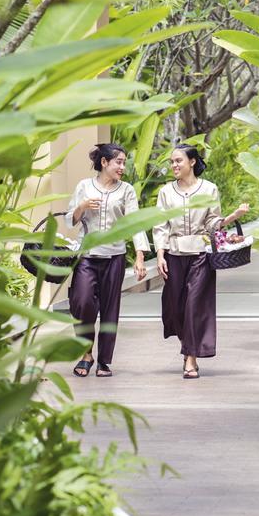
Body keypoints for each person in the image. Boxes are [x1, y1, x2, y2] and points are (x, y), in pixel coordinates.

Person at [153, 144, 249, 379]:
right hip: (174, 255)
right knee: (176, 308)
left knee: (195, 306)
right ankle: (188, 346)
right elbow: (160, 225)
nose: (174, 165)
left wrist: (232, 218)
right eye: (172, 162)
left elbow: (212, 224)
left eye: (178, 161)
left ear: (192, 162)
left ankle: (190, 359)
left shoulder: (209, 189)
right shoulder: (166, 192)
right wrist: (160, 254)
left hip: (200, 256)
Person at [69, 143, 148, 378]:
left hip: (114, 256)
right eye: (119, 162)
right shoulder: (84, 186)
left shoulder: (127, 190)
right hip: (87, 256)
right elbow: (69, 220)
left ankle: (103, 360)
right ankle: (86, 352)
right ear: (104, 162)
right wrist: (82, 206)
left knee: (110, 310)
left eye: (124, 162)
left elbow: (135, 223)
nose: (123, 167)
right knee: (82, 302)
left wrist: (140, 256)